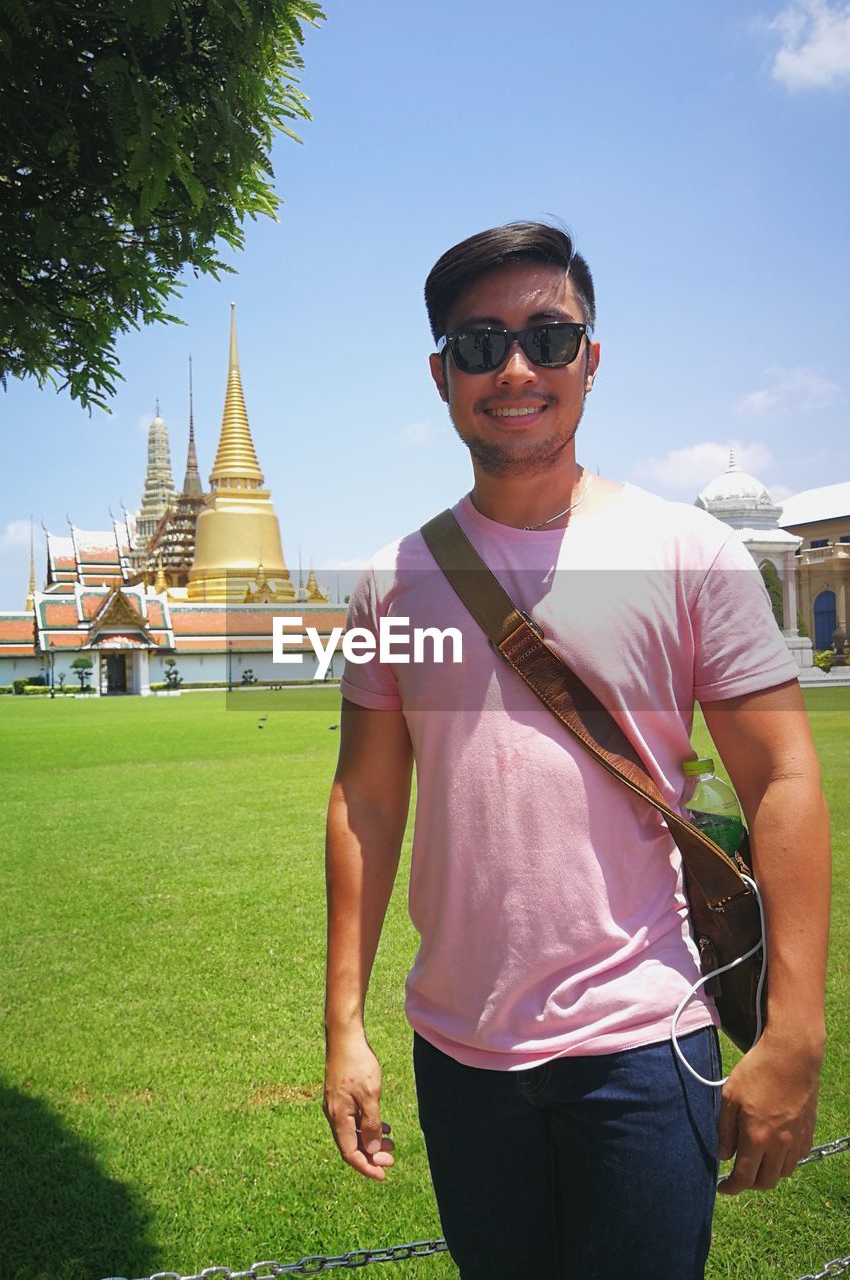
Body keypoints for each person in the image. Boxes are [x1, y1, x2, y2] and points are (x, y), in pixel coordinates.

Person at [322, 222, 830, 1279]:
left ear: (591, 360)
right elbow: (366, 801)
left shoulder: (689, 553)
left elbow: (782, 776)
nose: (516, 368)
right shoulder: (395, 580)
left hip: (646, 1038)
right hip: (460, 1050)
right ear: (440, 375)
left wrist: (794, 1029)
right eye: (479, 343)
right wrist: (344, 1026)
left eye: (550, 337)